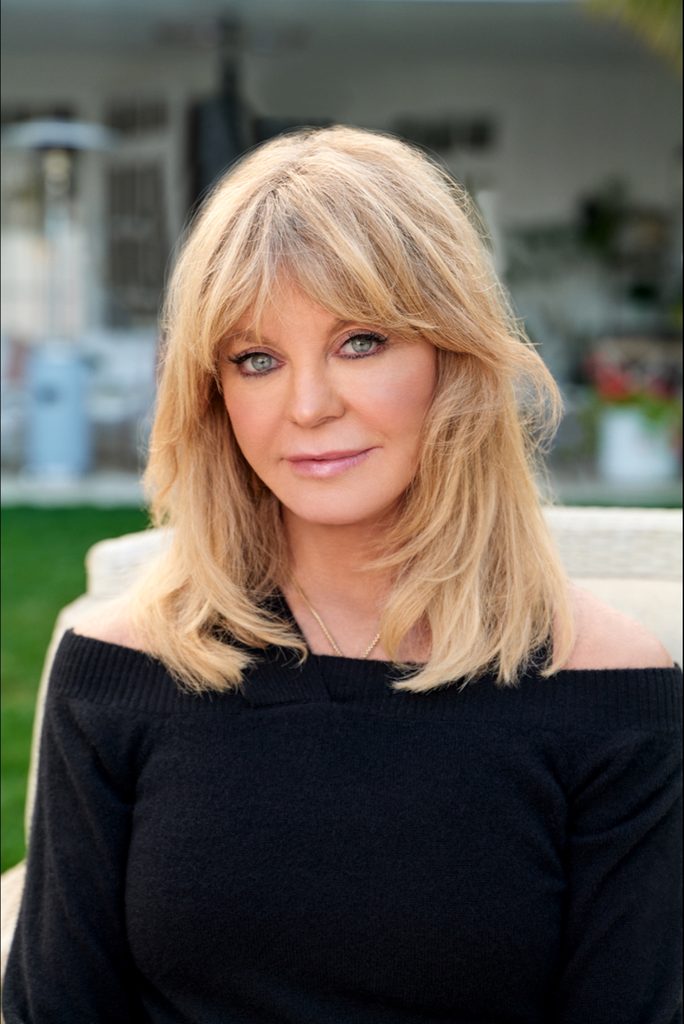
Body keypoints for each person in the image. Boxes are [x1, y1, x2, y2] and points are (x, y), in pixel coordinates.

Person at [3, 126, 681, 1024]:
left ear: (454, 359)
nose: (310, 407)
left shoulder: (613, 689)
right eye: (257, 360)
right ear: (213, 397)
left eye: (361, 341)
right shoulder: (119, 666)